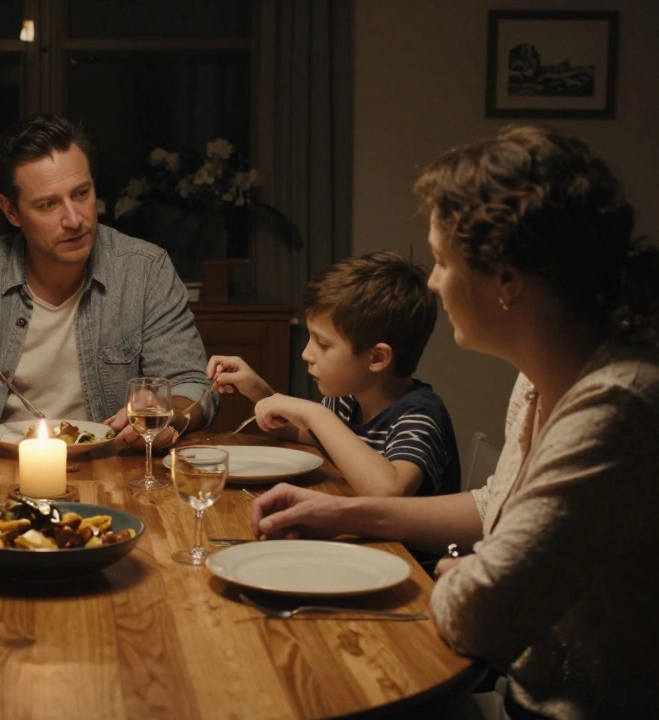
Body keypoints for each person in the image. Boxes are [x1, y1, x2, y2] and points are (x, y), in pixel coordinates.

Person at [247, 126, 659, 718]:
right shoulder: (539, 380)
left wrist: (464, 573)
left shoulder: (618, 407)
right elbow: (495, 507)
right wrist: (340, 513)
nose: (434, 281)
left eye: (443, 261)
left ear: (508, 280)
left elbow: (477, 616)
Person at [0, 114, 215, 449]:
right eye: (48, 204)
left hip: (112, 469)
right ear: (11, 211)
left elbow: (194, 387)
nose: (74, 220)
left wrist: (165, 411)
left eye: (82, 193)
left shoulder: (145, 270)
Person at [207, 251, 460, 498]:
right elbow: (297, 433)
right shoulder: (347, 399)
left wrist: (317, 414)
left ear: (376, 358)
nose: (306, 353)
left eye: (323, 344)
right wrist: (260, 393)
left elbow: (389, 491)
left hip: (394, 543)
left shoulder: (420, 415)